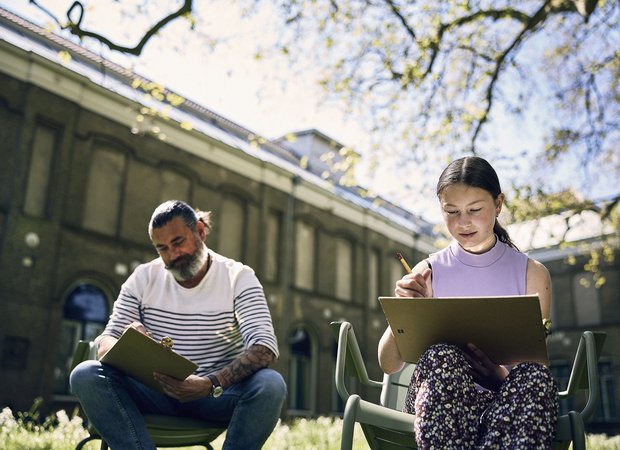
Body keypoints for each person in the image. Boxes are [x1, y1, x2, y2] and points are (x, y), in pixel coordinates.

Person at [70, 200, 287, 450]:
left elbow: (264, 347)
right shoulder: (143, 277)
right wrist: (126, 342)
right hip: (153, 394)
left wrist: (209, 384)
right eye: (162, 248)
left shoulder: (238, 277)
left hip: (214, 397)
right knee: (85, 374)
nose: (172, 255)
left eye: (178, 242)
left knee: (270, 385)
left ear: (201, 232)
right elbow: (105, 342)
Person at [378, 156, 558, 449]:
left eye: (475, 210)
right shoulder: (428, 270)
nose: (462, 222)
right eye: (451, 211)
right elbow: (388, 364)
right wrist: (408, 310)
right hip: (440, 406)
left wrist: (497, 375)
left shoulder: (533, 274)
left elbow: (534, 366)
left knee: (536, 377)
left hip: (506, 405)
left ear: (498, 204)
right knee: (442, 356)